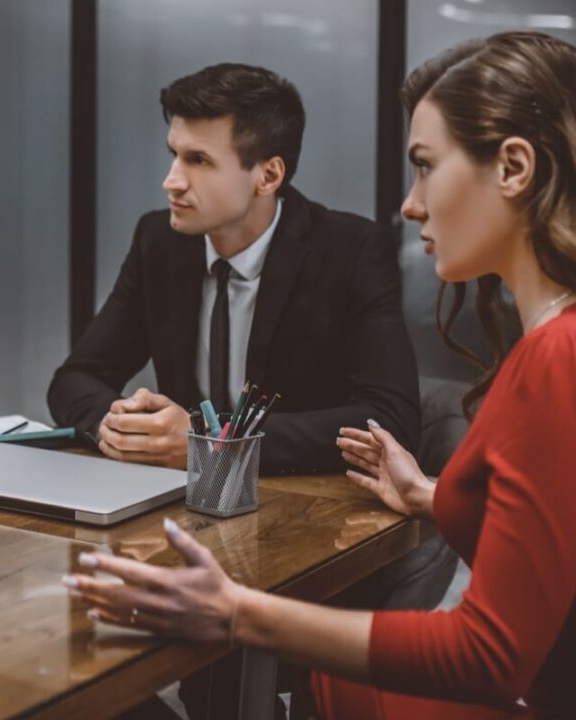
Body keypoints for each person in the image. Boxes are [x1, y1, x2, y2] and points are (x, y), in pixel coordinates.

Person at [64, 32, 576, 718]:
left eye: (425, 167)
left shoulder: (565, 357)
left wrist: (236, 613)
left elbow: (488, 655)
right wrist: (430, 496)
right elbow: (575, 533)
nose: (410, 205)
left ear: (514, 168)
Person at [47, 63, 420, 476]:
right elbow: (76, 378)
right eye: (175, 155)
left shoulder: (350, 250)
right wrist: (119, 427)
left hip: (304, 506)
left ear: (268, 175)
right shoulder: (159, 240)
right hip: (179, 502)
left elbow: (391, 419)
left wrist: (211, 442)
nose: (172, 181)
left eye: (199, 161)